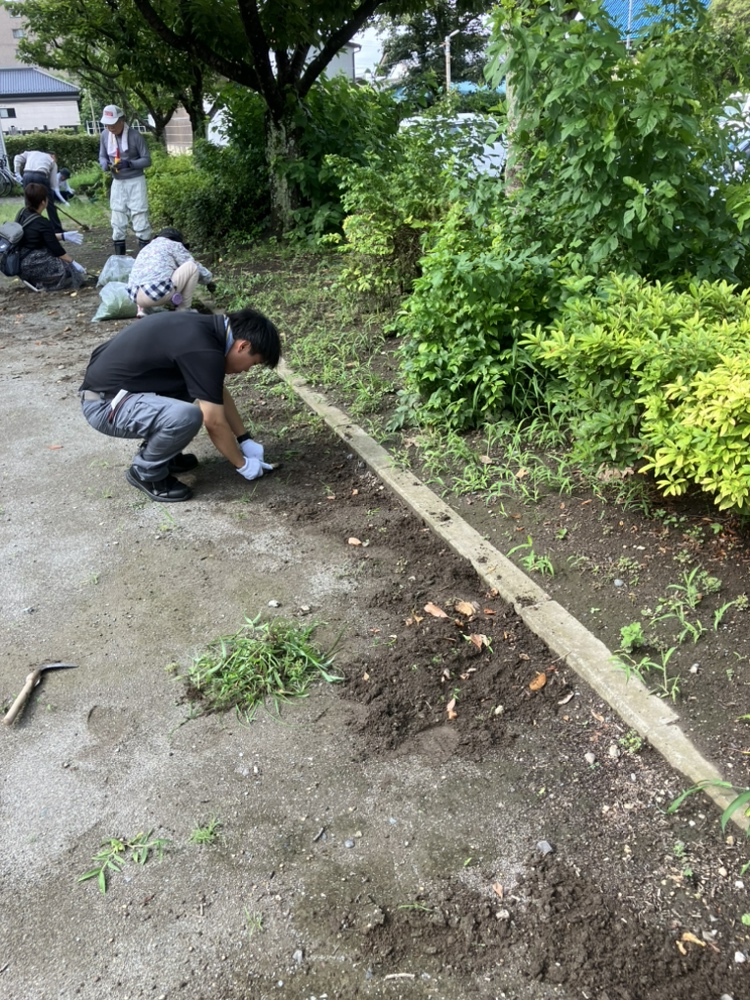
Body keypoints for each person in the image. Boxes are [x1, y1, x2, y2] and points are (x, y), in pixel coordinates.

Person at [79, 307, 282, 503]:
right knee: (187, 416)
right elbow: (214, 422)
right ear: (243, 346)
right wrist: (242, 464)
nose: (247, 370)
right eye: (253, 363)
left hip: (118, 392)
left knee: (194, 388)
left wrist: (244, 439)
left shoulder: (206, 330)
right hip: (105, 406)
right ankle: (147, 472)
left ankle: (164, 454)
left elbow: (215, 390)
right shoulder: (203, 349)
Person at [98, 104, 152, 256]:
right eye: (107, 124)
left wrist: (130, 163)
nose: (110, 128)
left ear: (122, 120)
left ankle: (145, 259)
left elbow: (147, 160)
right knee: (117, 217)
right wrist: (104, 163)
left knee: (140, 216)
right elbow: (102, 155)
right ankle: (120, 259)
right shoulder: (104, 135)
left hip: (135, 180)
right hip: (118, 182)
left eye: (113, 124)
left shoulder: (135, 136)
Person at [14, 182, 89, 292]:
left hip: (20, 262)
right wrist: (73, 263)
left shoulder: (22, 213)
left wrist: (63, 236)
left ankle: (36, 279)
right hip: (33, 262)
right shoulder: (42, 222)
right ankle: (42, 283)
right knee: (72, 273)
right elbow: (56, 249)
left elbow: (37, 236)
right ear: (43, 202)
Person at [127, 227, 216, 318]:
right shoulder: (174, 245)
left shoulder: (147, 248)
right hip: (155, 294)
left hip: (135, 295)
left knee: (153, 275)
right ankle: (184, 309)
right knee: (191, 267)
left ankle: (146, 310)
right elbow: (193, 265)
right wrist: (208, 280)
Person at [13, 149, 64, 232]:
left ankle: (27, 226)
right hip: (40, 176)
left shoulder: (31, 153)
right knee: (49, 203)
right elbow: (53, 183)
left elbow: (17, 157)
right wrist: (50, 197)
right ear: (53, 156)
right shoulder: (52, 161)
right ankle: (57, 228)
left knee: (29, 201)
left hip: (27, 175)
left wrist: (17, 172)